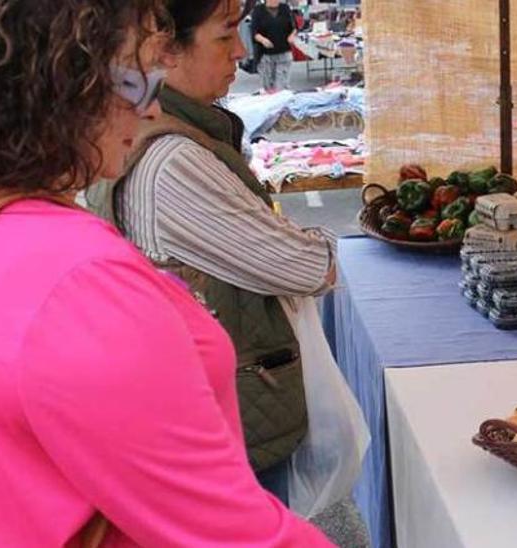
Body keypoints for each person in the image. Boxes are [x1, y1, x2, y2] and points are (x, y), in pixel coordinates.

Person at [0, 0, 331, 545]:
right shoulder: (76, 282)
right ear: (64, 82)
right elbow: (236, 534)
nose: (152, 109)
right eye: (138, 82)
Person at [84, 1, 367, 545]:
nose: (239, 50)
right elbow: (308, 265)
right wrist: (311, 242)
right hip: (229, 421)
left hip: (222, 411)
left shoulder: (171, 138)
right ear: (164, 50)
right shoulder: (171, 161)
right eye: (222, 37)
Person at [252, 0, 298, 93]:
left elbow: (294, 27)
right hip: (265, 55)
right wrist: (263, 40)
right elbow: (254, 32)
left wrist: (292, 35)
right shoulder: (258, 10)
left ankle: (282, 105)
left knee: (282, 88)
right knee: (267, 88)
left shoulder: (285, 8)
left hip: (284, 52)